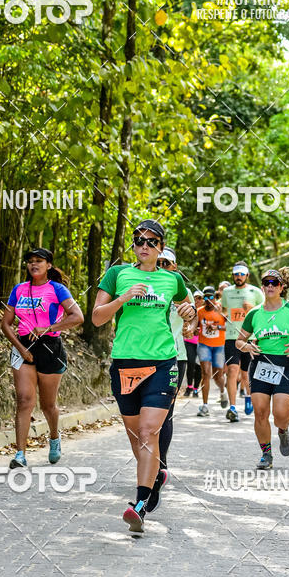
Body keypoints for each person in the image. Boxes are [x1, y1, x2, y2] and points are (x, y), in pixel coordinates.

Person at [93, 219, 195, 533]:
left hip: (163, 363)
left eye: (152, 241)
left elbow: (188, 312)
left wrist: (189, 314)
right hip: (125, 363)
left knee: (150, 432)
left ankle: (139, 504)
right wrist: (122, 298)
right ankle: (156, 474)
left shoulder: (172, 280)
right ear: (134, 246)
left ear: (160, 247)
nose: (145, 246)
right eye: (139, 240)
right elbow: (97, 318)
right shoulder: (117, 274)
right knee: (137, 437)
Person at [1, 248, 83, 469]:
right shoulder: (18, 290)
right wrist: (20, 348)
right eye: (29, 261)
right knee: (24, 401)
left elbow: (78, 317)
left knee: (48, 404)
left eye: (39, 261)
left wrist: (49, 327)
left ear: (48, 265)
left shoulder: (57, 289)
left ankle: (54, 439)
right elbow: (5, 323)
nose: (33, 264)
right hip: (23, 346)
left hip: (50, 347)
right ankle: (20, 454)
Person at [236, 268, 289, 469]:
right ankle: (266, 454)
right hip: (261, 364)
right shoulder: (254, 314)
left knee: (280, 414)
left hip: (287, 366)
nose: (270, 286)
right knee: (260, 412)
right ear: (262, 287)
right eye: (266, 283)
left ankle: (283, 430)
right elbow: (239, 341)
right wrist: (248, 345)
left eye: (274, 283)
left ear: (281, 287)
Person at [153, 247, 197, 509]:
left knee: (165, 412)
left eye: (167, 262)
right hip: (145, 355)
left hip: (175, 356)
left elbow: (192, 321)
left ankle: (160, 465)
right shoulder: (146, 283)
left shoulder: (182, 290)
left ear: (175, 266)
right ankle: (148, 462)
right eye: (159, 262)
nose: (163, 265)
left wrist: (190, 322)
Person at [222, 263, 263, 422]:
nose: (238, 276)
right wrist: (221, 312)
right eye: (236, 273)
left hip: (250, 338)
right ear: (233, 275)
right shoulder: (227, 291)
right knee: (232, 370)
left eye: (241, 273)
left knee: (246, 374)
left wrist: (252, 308)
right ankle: (232, 408)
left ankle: (248, 398)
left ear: (247, 275)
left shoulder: (256, 292)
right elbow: (225, 310)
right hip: (232, 336)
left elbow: (265, 312)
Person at [196, 286, 228, 416]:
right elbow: (195, 325)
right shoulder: (199, 311)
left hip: (219, 346)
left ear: (215, 298)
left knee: (218, 376)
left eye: (211, 297)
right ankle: (205, 406)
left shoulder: (221, 309)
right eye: (206, 297)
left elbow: (227, 327)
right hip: (204, 345)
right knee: (206, 374)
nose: (208, 300)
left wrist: (216, 326)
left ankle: (222, 391)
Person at [184, 290, 202, 397]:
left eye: (200, 298)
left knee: (198, 366)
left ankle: (196, 388)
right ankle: (189, 387)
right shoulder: (188, 308)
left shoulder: (204, 311)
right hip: (189, 341)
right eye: (195, 297)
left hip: (201, 342)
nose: (197, 300)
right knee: (190, 363)